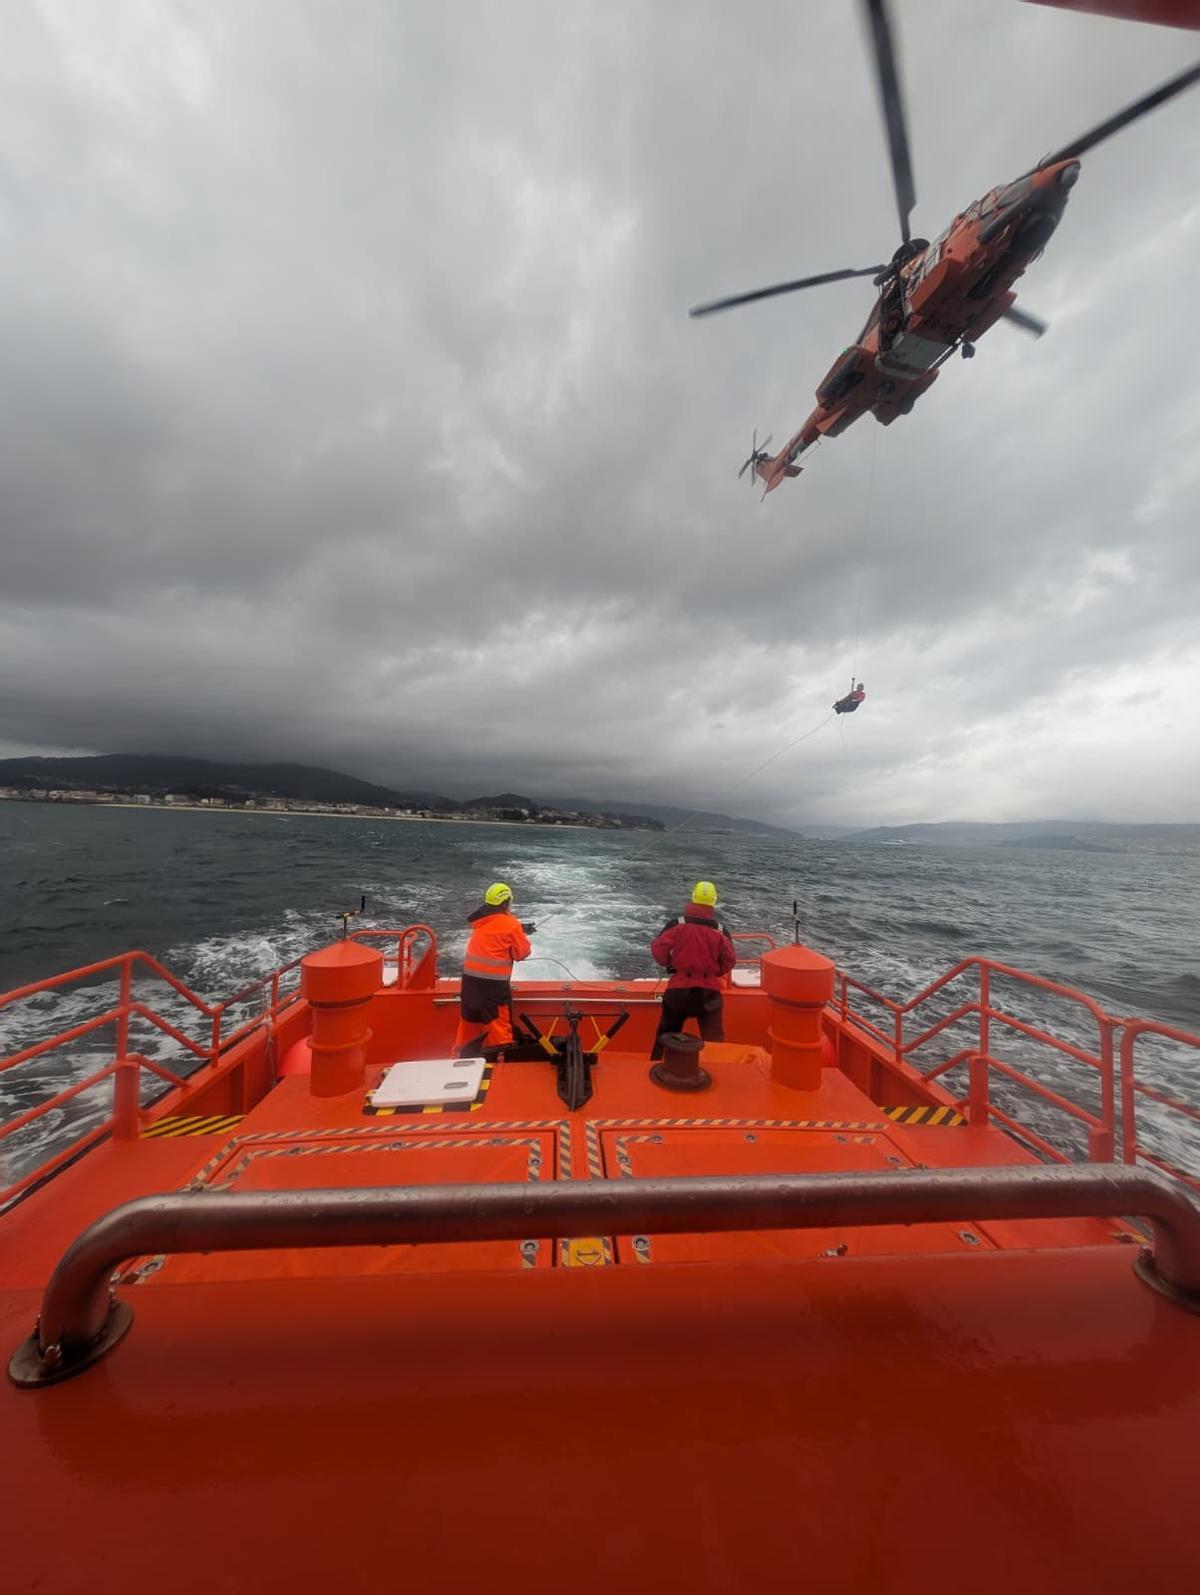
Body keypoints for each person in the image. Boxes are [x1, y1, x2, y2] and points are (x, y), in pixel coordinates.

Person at [649, 881, 736, 1060]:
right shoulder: (720, 931)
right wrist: (713, 973)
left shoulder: (676, 925)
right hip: (708, 993)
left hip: (679, 989)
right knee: (714, 1040)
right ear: (714, 901)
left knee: (666, 1034)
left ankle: (656, 1065)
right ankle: (717, 1069)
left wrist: (670, 964)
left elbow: (658, 949)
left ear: (693, 897)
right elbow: (729, 960)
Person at [453, 882, 533, 1058]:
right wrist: (520, 933)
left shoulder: (480, 922)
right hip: (493, 988)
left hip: (469, 984)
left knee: (469, 1023)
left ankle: (460, 1059)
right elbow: (521, 953)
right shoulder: (511, 924)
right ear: (506, 902)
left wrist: (520, 929)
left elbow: (495, 931)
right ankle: (501, 1060)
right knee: (498, 1026)